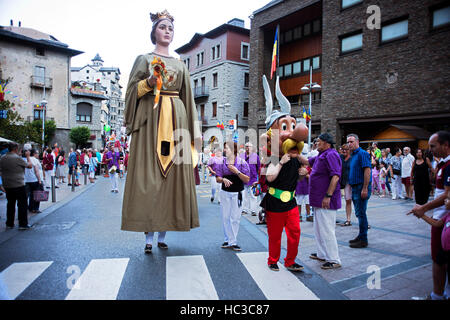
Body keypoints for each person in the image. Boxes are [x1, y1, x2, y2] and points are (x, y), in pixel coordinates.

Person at [121, 10, 201, 254]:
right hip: (150, 123)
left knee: (172, 181)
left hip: (177, 122)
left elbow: (188, 100)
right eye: (163, 27)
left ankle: (164, 233)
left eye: (170, 28)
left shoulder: (180, 65)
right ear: (154, 31)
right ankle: (148, 236)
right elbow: (131, 93)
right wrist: (148, 83)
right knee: (149, 179)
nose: (168, 31)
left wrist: (193, 135)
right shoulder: (143, 59)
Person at [259, 74, 308, 272]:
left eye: (293, 127)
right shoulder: (271, 156)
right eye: (285, 128)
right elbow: (270, 177)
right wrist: (281, 161)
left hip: (291, 201)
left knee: (295, 232)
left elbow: (304, 168)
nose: (291, 132)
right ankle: (273, 259)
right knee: (275, 234)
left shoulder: (296, 155)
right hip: (275, 201)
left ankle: (291, 260)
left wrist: (304, 171)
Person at [408, 131, 450, 300]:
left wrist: (424, 208)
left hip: (444, 221)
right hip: (441, 220)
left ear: (446, 145)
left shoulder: (448, 166)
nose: (429, 149)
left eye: (433, 146)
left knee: (439, 259)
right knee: (440, 259)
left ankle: (437, 295)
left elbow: (446, 196)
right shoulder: (443, 165)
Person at [299, 133, 342, 269]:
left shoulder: (331, 155)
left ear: (326, 143)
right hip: (318, 200)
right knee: (319, 229)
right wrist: (293, 151)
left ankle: (333, 259)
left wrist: (328, 196)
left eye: (319, 141)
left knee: (327, 229)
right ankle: (322, 254)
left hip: (326, 201)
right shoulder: (321, 156)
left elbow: (335, 176)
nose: (316, 143)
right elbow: (306, 161)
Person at [215, 141, 250, 251]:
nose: (225, 150)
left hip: (238, 193)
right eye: (224, 148)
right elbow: (217, 178)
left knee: (235, 218)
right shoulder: (222, 162)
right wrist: (223, 179)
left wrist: (237, 172)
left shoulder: (242, 162)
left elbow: (247, 179)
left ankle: (233, 241)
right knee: (226, 217)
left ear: (234, 150)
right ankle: (228, 240)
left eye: (227, 148)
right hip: (225, 193)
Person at [0, 142, 33, 230]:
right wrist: (28, 156)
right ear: (15, 149)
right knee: (22, 204)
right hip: (18, 184)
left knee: (10, 204)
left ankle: (9, 223)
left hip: (7, 184)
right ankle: (23, 224)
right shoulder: (17, 158)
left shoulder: (2, 158)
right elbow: (29, 166)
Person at [347, 133, 372, 248]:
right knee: (359, 213)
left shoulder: (362, 154)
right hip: (355, 187)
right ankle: (361, 235)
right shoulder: (353, 155)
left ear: (357, 141)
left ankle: (363, 239)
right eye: (348, 142)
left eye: (351, 142)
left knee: (361, 213)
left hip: (360, 187)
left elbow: (367, 171)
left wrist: (365, 188)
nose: (349, 144)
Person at [242, 142, 261, 216]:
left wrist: (258, 177)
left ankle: (253, 210)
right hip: (244, 178)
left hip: (253, 178)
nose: (248, 148)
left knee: (253, 195)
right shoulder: (242, 156)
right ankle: (245, 209)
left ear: (252, 148)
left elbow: (259, 167)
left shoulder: (255, 156)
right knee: (245, 195)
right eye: (246, 146)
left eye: (249, 147)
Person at [24, 149, 42, 214]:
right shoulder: (35, 160)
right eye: (37, 153)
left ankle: (29, 208)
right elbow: (36, 171)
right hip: (34, 179)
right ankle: (35, 208)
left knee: (28, 195)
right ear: (34, 154)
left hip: (26, 180)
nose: (38, 154)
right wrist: (39, 180)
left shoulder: (24, 159)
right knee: (36, 195)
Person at [339, 143, 353, 226]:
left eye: (346, 149)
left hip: (352, 182)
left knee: (354, 201)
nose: (344, 151)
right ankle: (348, 219)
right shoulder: (340, 157)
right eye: (343, 149)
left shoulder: (352, 158)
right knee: (347, 201)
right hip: (343, 182)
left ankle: (361, 221)